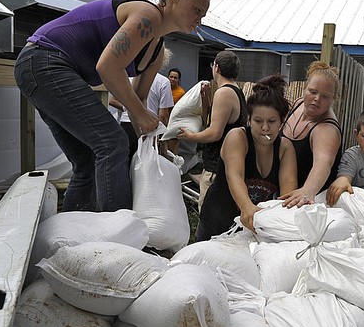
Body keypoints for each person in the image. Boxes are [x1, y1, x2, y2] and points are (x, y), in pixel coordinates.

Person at [14, 0, 209, 212]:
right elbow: (107, 68)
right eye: (197, 10)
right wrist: (140, 114)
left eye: (203, 15)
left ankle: (70, 236)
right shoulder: (147, 15)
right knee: (112, 142)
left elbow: (137, 100)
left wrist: (152, 140)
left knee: (87, 158)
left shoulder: (157, 53)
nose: (199, 20)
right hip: (43, 61)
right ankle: (117, 235)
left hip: (46, 70)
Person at [196, 75, 297, 241]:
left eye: (272, 121)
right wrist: (246, 206)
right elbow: (234, 176)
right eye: (258, 121)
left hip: (252, 227)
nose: (265, 128)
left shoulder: (285, 149)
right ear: (249, 120)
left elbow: (287, 195)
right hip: (218, 220)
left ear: (281, 121)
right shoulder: (237, 137)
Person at [177, 50, 247, 209]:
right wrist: (205, 99)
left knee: (209, 217)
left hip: (217, 168)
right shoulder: (234, 90)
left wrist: (191, 136)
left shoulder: (224, 92)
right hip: (224, 166)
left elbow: (215, 133)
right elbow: (210, 122)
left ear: (217, 68)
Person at [279, 60, 342, 208]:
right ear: (304, 88)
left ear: (333, 99)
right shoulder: (298, 104)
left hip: (310, 203)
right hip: (282, 190)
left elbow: (323, 162)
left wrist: (307, 190)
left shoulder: (327, 129)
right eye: (312, 92)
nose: (317, 99)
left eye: (325, 96)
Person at [109, 72, 174, 161]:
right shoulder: (163, 81)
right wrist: (162, 137)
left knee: (127, 160)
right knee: (148, 162)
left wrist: (128, 108)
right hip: (150, 127)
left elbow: (112, 100)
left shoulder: (126, 77)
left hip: (128, 124)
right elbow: (163, 116)